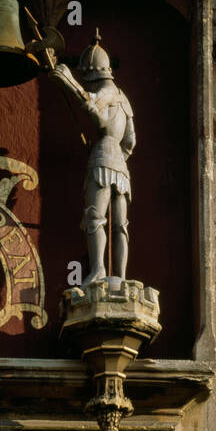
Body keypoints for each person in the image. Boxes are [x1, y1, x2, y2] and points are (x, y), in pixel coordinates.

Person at [49, 29, 135, 284]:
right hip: (120, 164)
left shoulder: (105, 93)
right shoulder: (124, 98)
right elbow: (130, 141)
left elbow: (97, 117)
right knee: (121, 225)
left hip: (102, 158)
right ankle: (120, 276)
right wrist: (118, 156)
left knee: (94, 218)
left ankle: (98, 269)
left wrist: (69, 82)